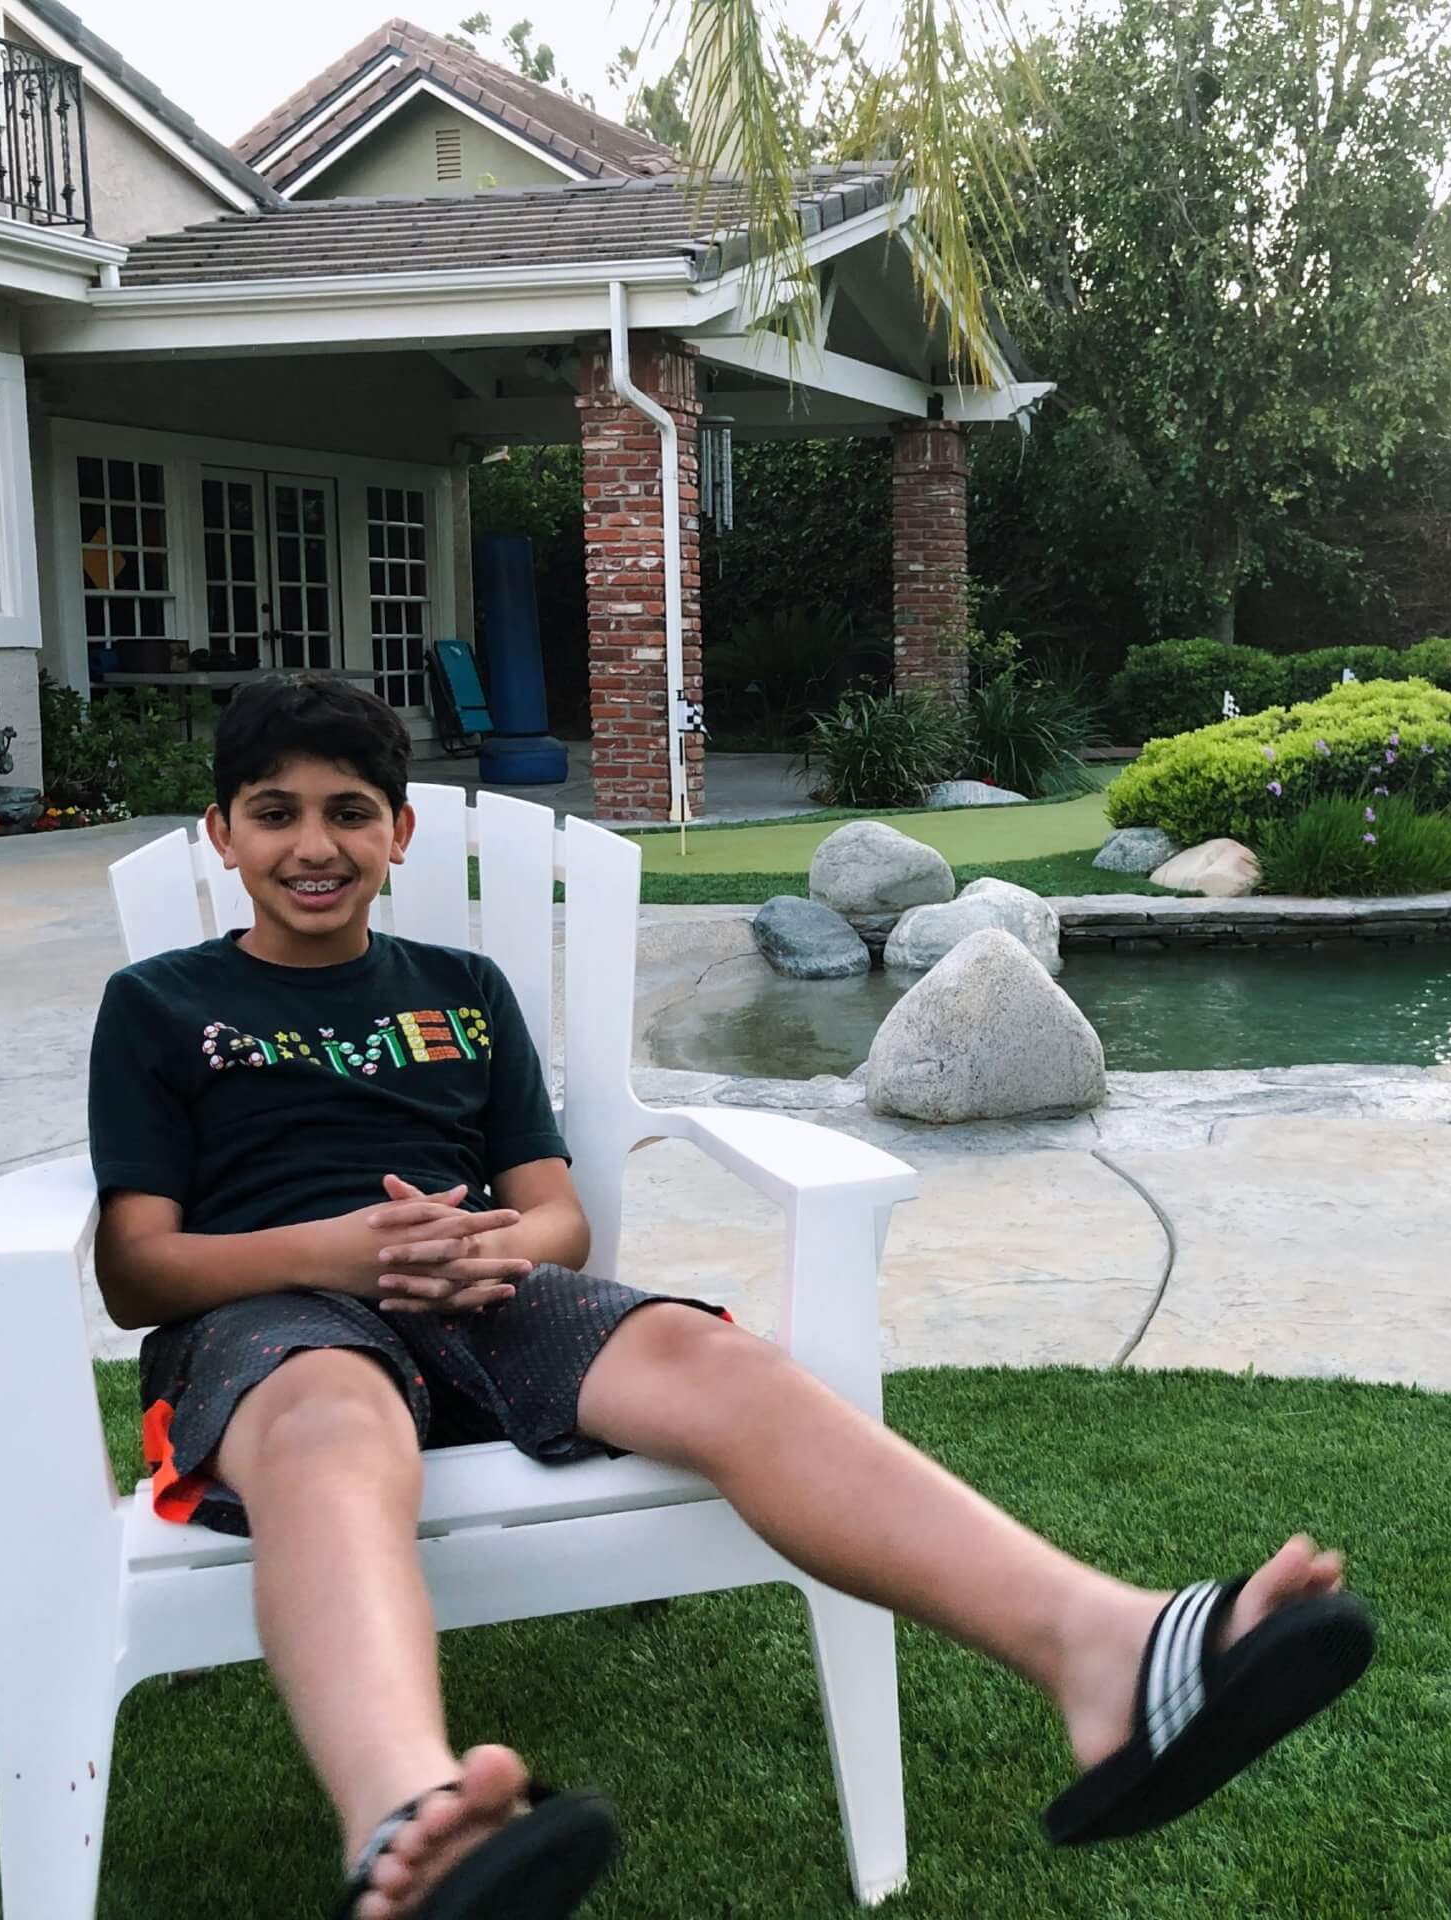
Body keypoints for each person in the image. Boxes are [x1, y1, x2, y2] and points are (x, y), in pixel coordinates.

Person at [87, 673, 1374, 1920]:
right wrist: (334, 1253)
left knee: (724, 1364)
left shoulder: (463, 994)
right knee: (329, 1419)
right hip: (277, 1312)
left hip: (484, 1282)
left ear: (400, 832)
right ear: (222, 834)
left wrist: (491, 1248)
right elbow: (139, 1268)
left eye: (349, 812)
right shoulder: (160, 1003)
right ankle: (407, 1820)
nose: (315, 845)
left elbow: (559, 1217)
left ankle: (1110, 1650)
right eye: (275, 813)